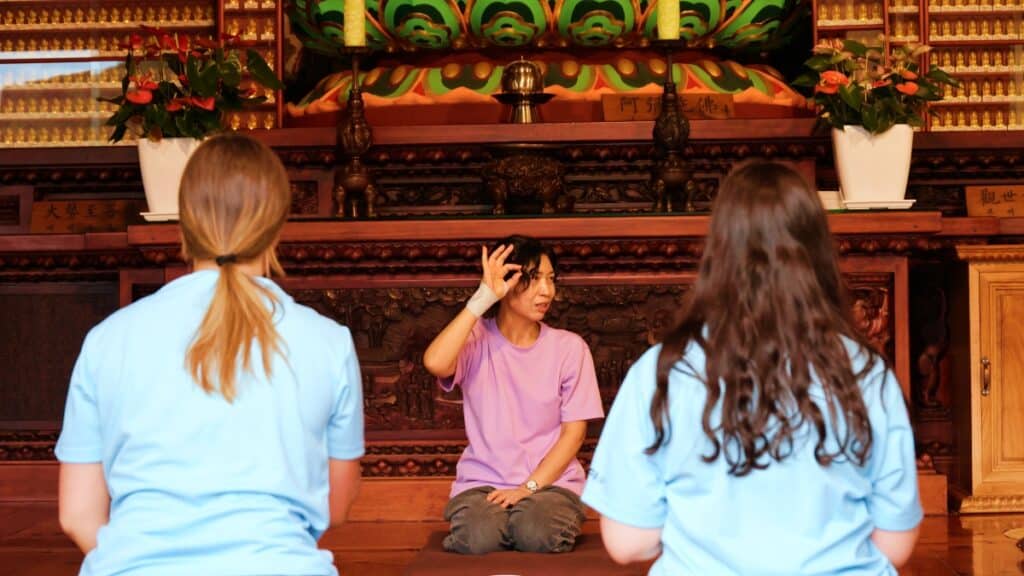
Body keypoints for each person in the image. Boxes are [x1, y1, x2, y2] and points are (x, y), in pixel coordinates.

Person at [582, 162, 922, 575]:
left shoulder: (662, 370)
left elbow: (627, 542)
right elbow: (895, 543)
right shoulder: (867, 372)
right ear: (818, 252)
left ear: (719, 251)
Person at [55, 133, 364, 576]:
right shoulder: (329, 342)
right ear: (278, 223)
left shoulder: (108, 339)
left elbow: (78, 516)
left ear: (184, 221)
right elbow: (334, 506)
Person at [422, 235, 605, 554]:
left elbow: (574, 435)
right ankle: (505, 526)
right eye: (533, 279)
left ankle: (519, 524)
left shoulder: (570, 348)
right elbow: (435, 363)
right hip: (483, 484)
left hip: (551, 484)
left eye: (551, 279)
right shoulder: (474, 339)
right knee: (477, 538)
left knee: (536, 533)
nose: (547, 291)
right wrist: (481, 299)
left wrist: (527, 488)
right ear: (506, 282)